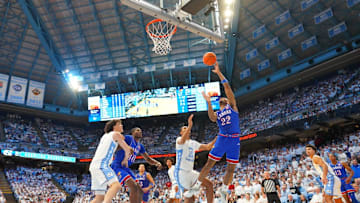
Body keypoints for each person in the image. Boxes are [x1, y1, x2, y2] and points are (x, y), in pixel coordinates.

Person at [191, 62, 241, 202]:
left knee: (231, 168)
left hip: (234, 139)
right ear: (219, 104)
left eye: (225, 98)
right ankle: (198, 185)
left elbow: (227, 87)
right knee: (209, 163)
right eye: (222, 100)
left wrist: (219, 73)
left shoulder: (232, 107)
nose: (224, 99)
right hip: (223, 138)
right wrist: (208, 102)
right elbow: (212, 117)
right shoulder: (218, 113)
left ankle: (224, 190)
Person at [111, 127, 162, 203]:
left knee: (139, 190)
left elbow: (148, 159)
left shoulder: (140, 146)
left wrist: (156, 163)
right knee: (133, 186)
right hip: (118, 165)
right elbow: (116, 145)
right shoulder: (128, 138)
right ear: (132, 133)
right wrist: (126, 147)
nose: (139, 131)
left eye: (141, 131)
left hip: (126, 168)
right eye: (137, 130)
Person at [174, 114, 216, 203]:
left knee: (209, 185)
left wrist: (217, 139)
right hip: (181, 173)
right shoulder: (178, 140)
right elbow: (182, 140)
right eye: (184, 129)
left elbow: (207, 147)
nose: (187, 130)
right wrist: (189, 126)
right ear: (181, 133)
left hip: (190, 171)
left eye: (187, 129)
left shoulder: (193, 143)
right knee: (190, 199)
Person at [89, 119, 132, 203]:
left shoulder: (105, 136)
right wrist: (125, 160)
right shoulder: (116, 134)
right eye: (120, 124)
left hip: (94, 165)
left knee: (99, 198)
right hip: (102, 165)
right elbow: (127, 150)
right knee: (116, 185)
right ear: (114, 126)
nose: (122, 126)